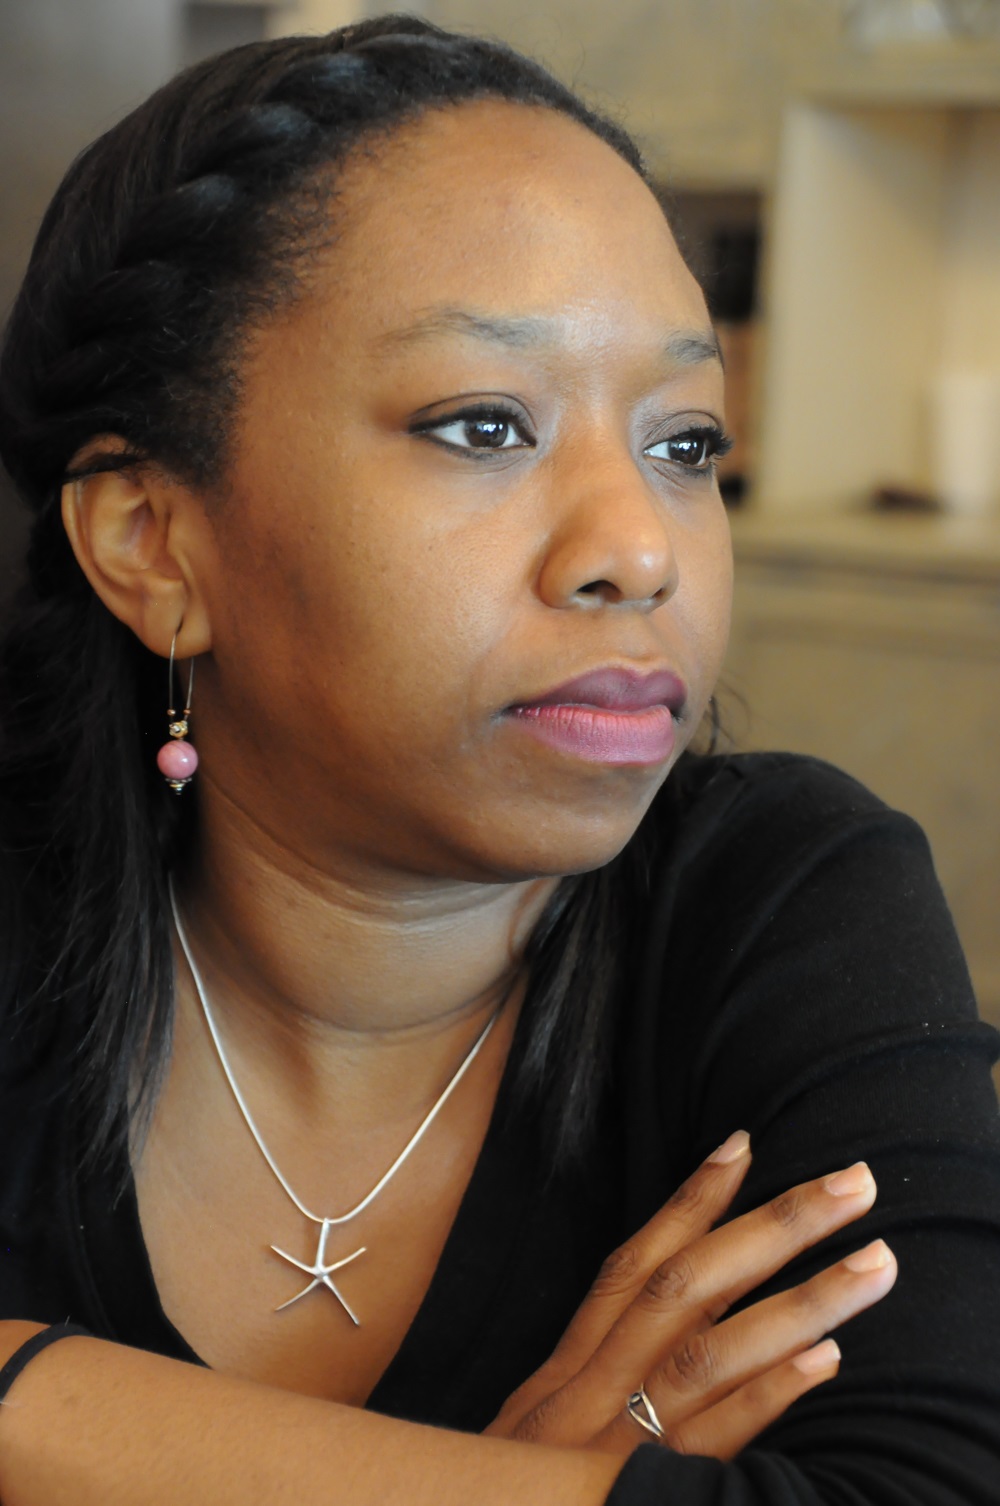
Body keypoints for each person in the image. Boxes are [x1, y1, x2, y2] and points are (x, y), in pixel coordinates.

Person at [0, 14, 997, 1505]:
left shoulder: (783, 899)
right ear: (153, 543)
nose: (641, 550)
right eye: (485, 423)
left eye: (685, 443)